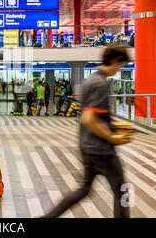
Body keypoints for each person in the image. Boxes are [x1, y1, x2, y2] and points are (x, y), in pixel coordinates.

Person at [42, 43, 131, 218]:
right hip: (102, 150)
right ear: (113, 60)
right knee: (122, 191)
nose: (120, 70)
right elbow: (89, 119)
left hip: (87, 147)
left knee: (84, 189)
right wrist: (113, 138)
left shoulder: (91, 79)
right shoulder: (100, 83)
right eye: (121, 65)